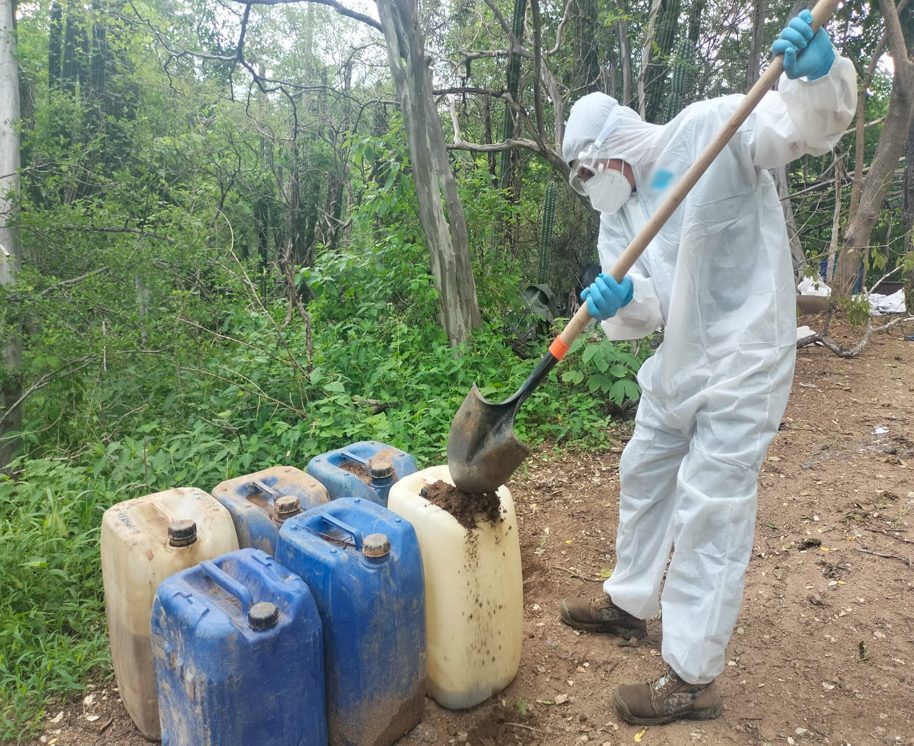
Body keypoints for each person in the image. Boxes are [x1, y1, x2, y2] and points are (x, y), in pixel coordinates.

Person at [558, 11, 857, 725]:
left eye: (588, 169)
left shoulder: (711, 127)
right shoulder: (616, 219)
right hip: (682, 362)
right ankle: (630, 602)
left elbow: (804, 130)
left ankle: (692, 677)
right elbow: (647, 309)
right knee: (644, 470)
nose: (589, 184)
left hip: (745, 356)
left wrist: (818, 77)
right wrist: (621, 301)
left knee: (710, 508)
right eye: (579, 179)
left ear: (613, 145)